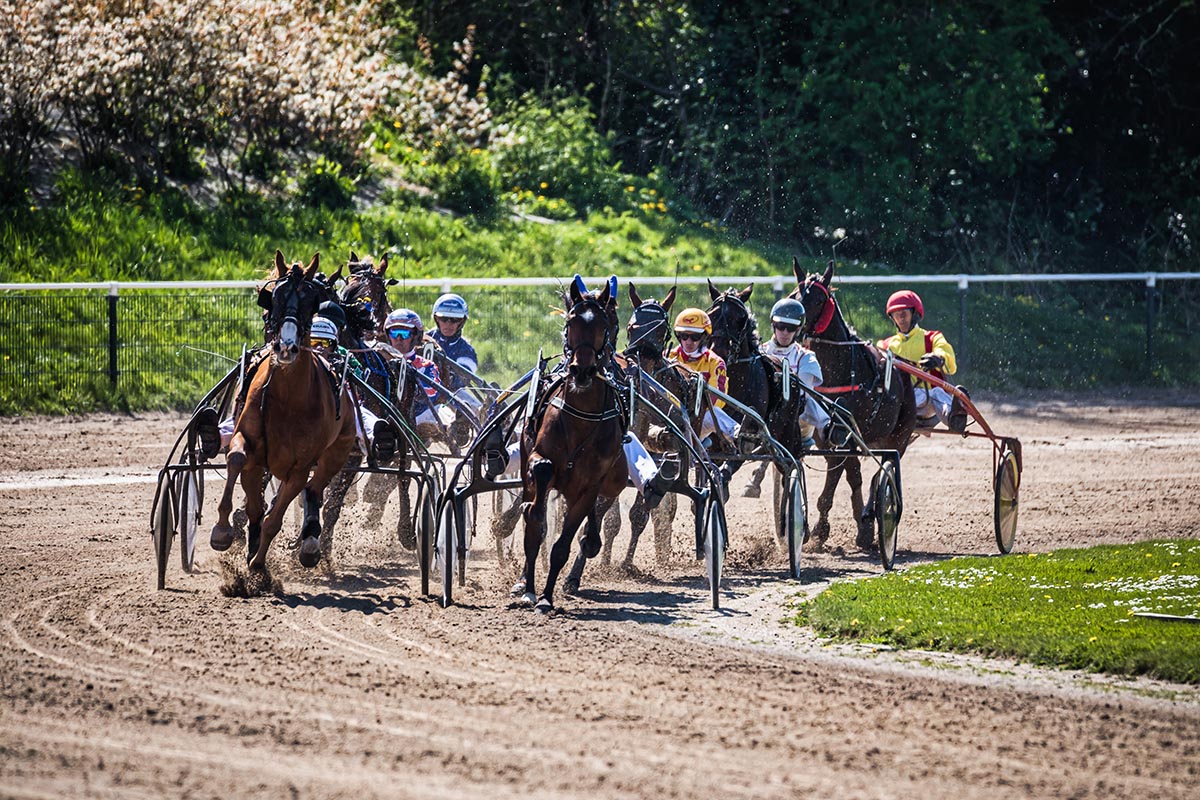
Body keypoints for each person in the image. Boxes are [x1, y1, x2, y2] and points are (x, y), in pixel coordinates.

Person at [877, 289, 969, 433]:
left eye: (904, 314)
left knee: (937, 392)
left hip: (925, 403)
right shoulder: (885, 345)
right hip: (897, 403)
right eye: (896, 315)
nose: (900, 319)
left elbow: (951, 365)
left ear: (915, 314)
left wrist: (938, 358)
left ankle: (954, 418)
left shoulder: (932, 338)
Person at [309, 315, 397, 464]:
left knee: (355, 411)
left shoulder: (344, 356)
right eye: (313, 342)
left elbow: (358, 381)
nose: (319, 348)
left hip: (340, 406)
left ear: (333, 344)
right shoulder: (297, 357)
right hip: (306, 407)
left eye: (324, 343)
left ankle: (375, 438)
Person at [759, 297, 832, 448]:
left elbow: (802, 396)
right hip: (763, 412)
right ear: (773, 325)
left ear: (798, 330)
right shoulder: (759, 353)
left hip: (795, 420)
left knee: (807, 398)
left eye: (791, 328)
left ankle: (828, 428)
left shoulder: (806, 357)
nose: (785, 332)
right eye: (781, 326)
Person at [668, 308, 738, 447]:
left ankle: (740, 436)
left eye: (695, 337)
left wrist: (692, 413)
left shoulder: (716, 363)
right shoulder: (668, 357)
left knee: (714, 413)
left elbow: (717, 400)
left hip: (697, 421)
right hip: (668, 419)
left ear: (705, 337)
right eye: (684, 336)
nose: (688, 341)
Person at [382, 308, 455, 439]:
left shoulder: (426, 365)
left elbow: (432, 393)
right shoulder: (380, 364)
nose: (399, 339)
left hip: (420, 416)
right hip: (387, 418)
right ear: (388, 335)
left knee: (442, 410)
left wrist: (411, 388)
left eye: (405, 334)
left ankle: (447, 429)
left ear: (416, 336)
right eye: (394, 333)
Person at [429, 292, 484, 441]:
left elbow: (462, 380)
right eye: (444, 319)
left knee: (477, 409)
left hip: (452, 392)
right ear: (436, 318)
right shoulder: (422, 339)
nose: (448, 324)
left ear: (462, 322)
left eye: (454, 320)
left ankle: (462, 428)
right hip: (422, 391)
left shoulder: (466, 350)